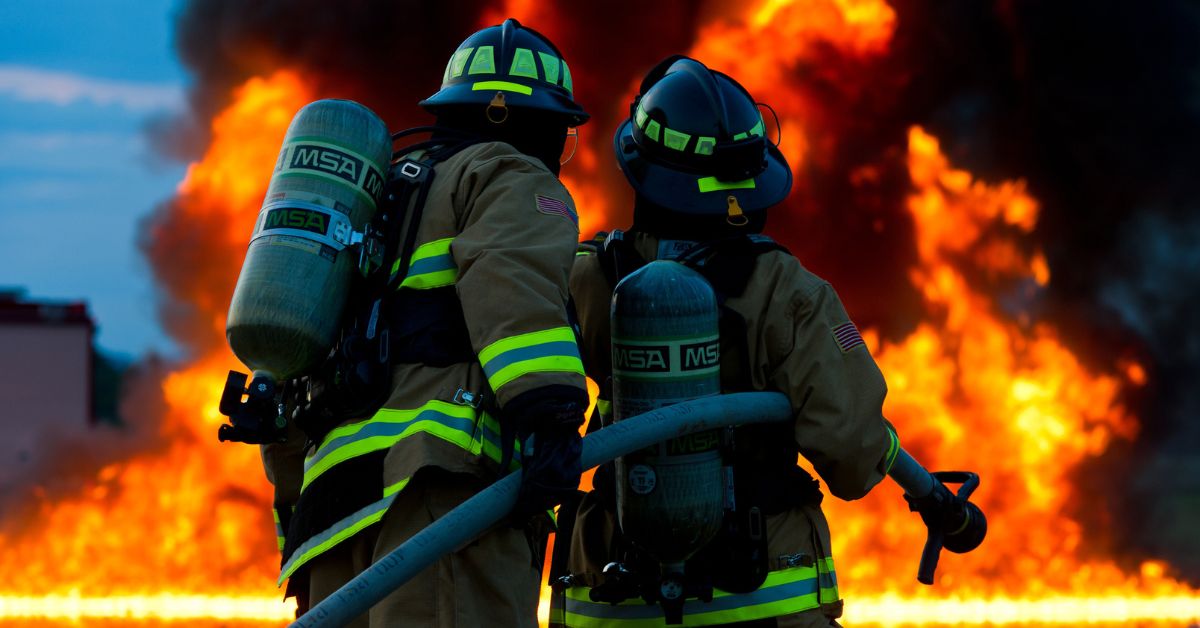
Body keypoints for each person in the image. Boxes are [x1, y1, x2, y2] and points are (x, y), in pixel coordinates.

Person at [261, 18, 591, 627]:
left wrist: (292, 501)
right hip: (439, 497)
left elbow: (291, 360)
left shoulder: (376, 194)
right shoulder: (507, 177)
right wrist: (550, 418)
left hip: (331, 510)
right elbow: (510, 289)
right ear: (543, 126)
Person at [554, 56, 901, 627]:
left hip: (614, 596)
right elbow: (854, 455)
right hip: (760, 598)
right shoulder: (787, 291)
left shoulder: (587, 278)